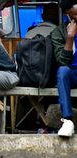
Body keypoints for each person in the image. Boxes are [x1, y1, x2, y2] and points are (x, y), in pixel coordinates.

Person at [51, 0, 77, 137]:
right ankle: (67, 120)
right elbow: (62, 61)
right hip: (73, 74)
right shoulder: (59, 32)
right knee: (62, 71)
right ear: (68, 16)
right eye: (74, 16)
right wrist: (70, 37)